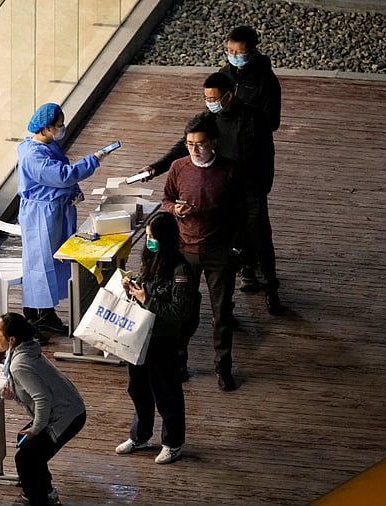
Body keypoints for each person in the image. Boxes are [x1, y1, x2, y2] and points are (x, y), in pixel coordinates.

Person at [133, 71, 282, 315]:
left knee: (259, 236)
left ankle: (271, 287)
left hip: (250, 188)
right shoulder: (207, 119)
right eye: (206, 98)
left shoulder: (253, 118)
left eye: (213, 98)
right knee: (226, 238)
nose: (209, 103)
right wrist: (156, 167)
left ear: (228, 96)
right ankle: (241, 277)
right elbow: (184, 146)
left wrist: (263, 187)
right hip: (217, 181)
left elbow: (267, 155)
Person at [161, 114, 245, 391]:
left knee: (221, 312)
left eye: (200, 144)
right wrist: (176, 210)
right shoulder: (178, 167)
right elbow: (167, 199)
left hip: (218, 252)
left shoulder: (230, 171)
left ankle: (223, 366)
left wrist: (236, 248)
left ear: (214, 143)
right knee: (184, 309)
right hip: (185, 252)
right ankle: (179, 359)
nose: (194, 150)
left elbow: (240, 212)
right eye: (189, 144)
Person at [18, 102, 111, 337]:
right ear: (46, 128)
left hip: (55, 210)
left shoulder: (48, 145)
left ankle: (46, 314)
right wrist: (94, 160)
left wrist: (73, 192)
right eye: (58, 126)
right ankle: (35, 318)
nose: (62, 129)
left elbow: (62, 173)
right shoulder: (33, 154)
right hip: (41, 215)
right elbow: (61, 175)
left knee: (56, 260)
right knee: (40, 265)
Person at [115, 211, 193, 464]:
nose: (149, 242)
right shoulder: (150, 259)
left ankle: (173, 442)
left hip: (163, 339)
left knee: (166, 391)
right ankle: (140, 435)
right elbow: (144, 287)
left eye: (152, 237)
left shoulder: (180, 269)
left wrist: (146, 299)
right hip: (139, 336)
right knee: (137, 387)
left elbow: (177, 312)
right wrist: (132, 287)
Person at [0, 312, 86, 506]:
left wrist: (36, 429)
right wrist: (14, 395)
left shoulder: (19, 364)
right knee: (24, 441)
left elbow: (43, 399)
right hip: (67, 408)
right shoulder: (24, 350)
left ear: (11, 339)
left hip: (66, 416)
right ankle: (44, 490)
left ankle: (38, 498)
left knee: (25, 459)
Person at [219, 25, 283, 305]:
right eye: (230, 51)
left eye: (239, 52)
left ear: (252, 50)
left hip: (255, 166)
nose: (233, 56)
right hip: (228, 166)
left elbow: (273, 123)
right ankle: (247, 268)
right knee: (234, 224)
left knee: (258, 225)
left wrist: (240, 117)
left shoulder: (266, 81)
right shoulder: (223, 77)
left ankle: (271, 285)